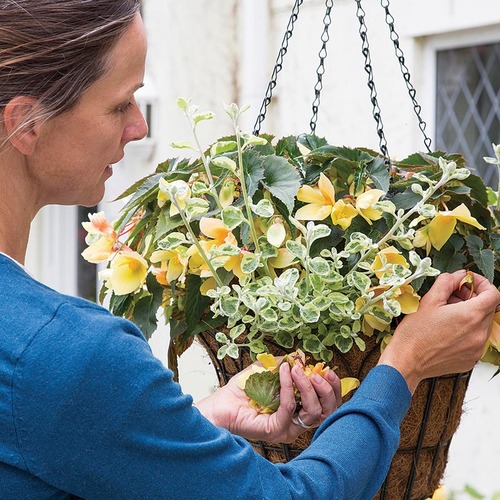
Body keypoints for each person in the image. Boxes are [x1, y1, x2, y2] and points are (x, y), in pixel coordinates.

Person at [0, 1, 497, 499]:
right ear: (27, 124)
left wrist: (189, 428)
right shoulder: (67, 355)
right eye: (119, 104)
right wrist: (405, 362)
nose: (139, 126)